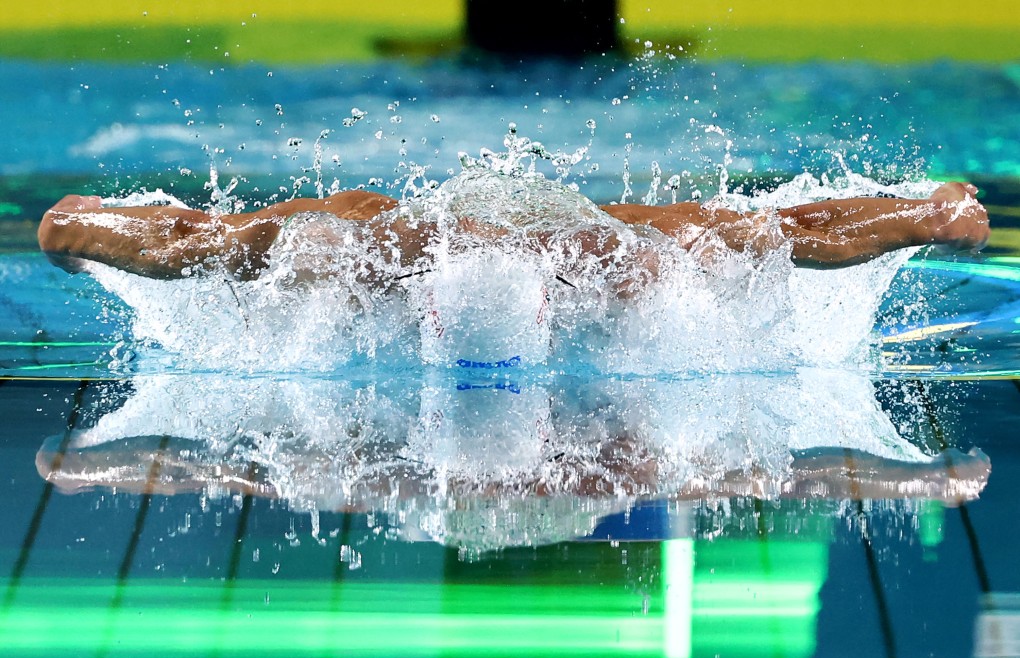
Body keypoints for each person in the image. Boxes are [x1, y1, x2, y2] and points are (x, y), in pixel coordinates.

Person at [36, 180, 990, 285]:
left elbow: (792, 228)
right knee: (276, 246)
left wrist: (80, 224)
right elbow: (790, 228)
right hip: (421, 225)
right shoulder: (389, 246)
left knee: (264, 245)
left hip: (570, 229)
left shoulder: (610, 257)